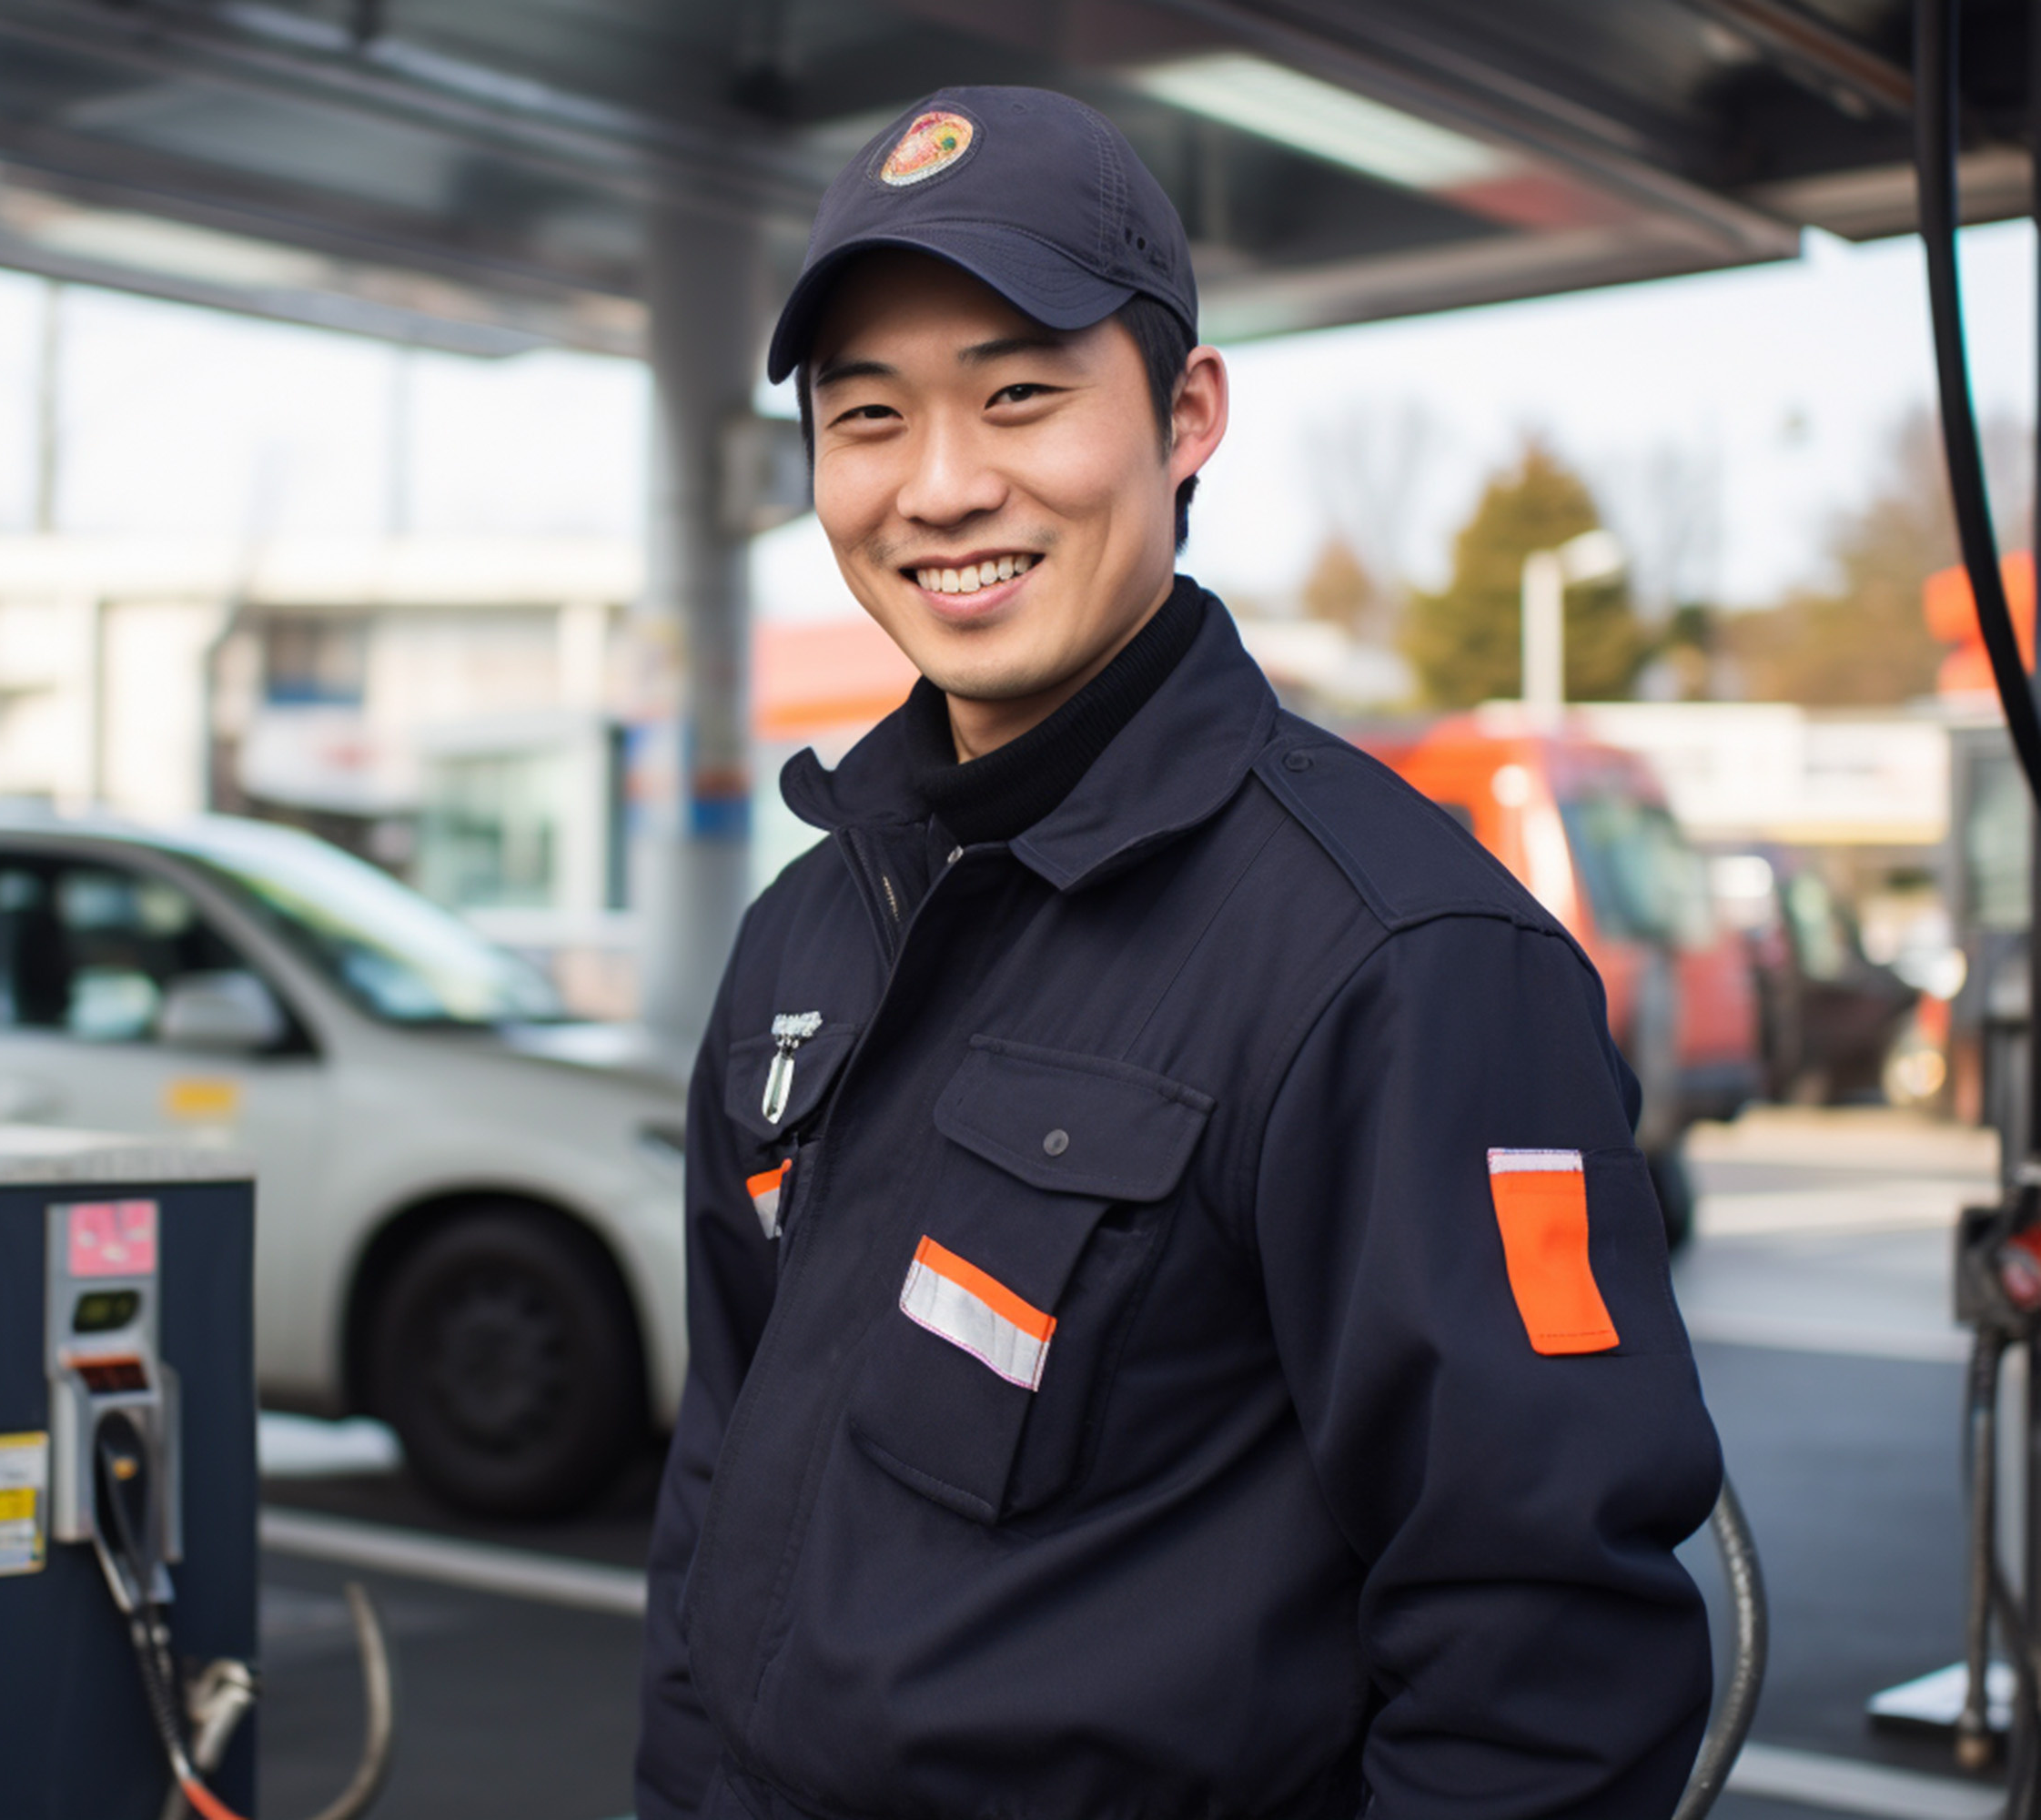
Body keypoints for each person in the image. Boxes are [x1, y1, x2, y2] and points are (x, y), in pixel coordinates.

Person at [636, 86, 1721, 1820]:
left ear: (1186, 413)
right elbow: (720, 1500)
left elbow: (1546, 1671)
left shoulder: (1401, 961)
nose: (940, 486)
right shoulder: (809, 931)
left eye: (1019, 396)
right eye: (867, 417)